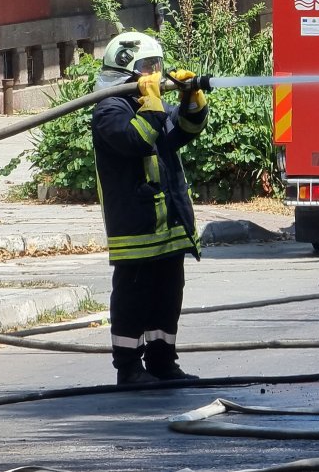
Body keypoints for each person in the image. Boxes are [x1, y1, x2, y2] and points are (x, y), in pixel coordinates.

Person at [91, 31, 209, 385]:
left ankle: (162, 362)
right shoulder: (110, 110)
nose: (156, 73)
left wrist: (191, 101)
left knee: (167, 297)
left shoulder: (149, 105)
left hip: (168, 227)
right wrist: (153, 104)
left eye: (158, 65)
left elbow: (183, 131)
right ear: (127, 69)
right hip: (136, 229)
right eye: (148, 67)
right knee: (133, 300)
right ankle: (128, 368)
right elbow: (136, 139)